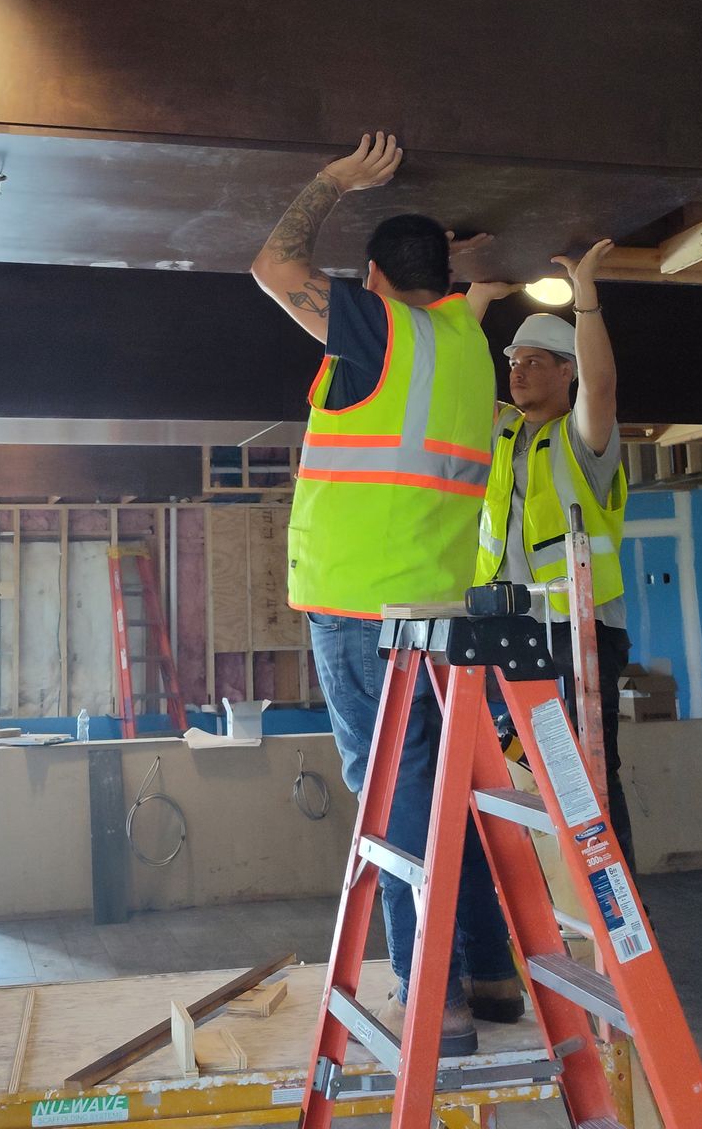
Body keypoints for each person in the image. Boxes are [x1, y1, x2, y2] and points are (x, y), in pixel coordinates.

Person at [250, 133, 522, 1056]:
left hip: (365, 615)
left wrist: (332, 178)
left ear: (371, 278)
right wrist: (465, 261)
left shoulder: (381, 330)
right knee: (445, 795)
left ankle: (432, 996)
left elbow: (271, 266)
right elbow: (469, 290)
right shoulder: (469, 346)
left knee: (399, 803)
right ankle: (488, 973)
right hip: (441, 612)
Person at [470, 240, 635, 868]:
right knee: (517, 769)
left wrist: (586, 297)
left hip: (579, 632)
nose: (518, 370)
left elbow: (602, 386)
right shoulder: (504, 432)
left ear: (565, 371)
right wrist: (473, 306)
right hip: (508, 629)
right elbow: (456, 385)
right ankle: (550, 896)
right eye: (514, 360)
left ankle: (616, 906)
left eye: (536, 361)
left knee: (585, 773)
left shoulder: (583, 440)